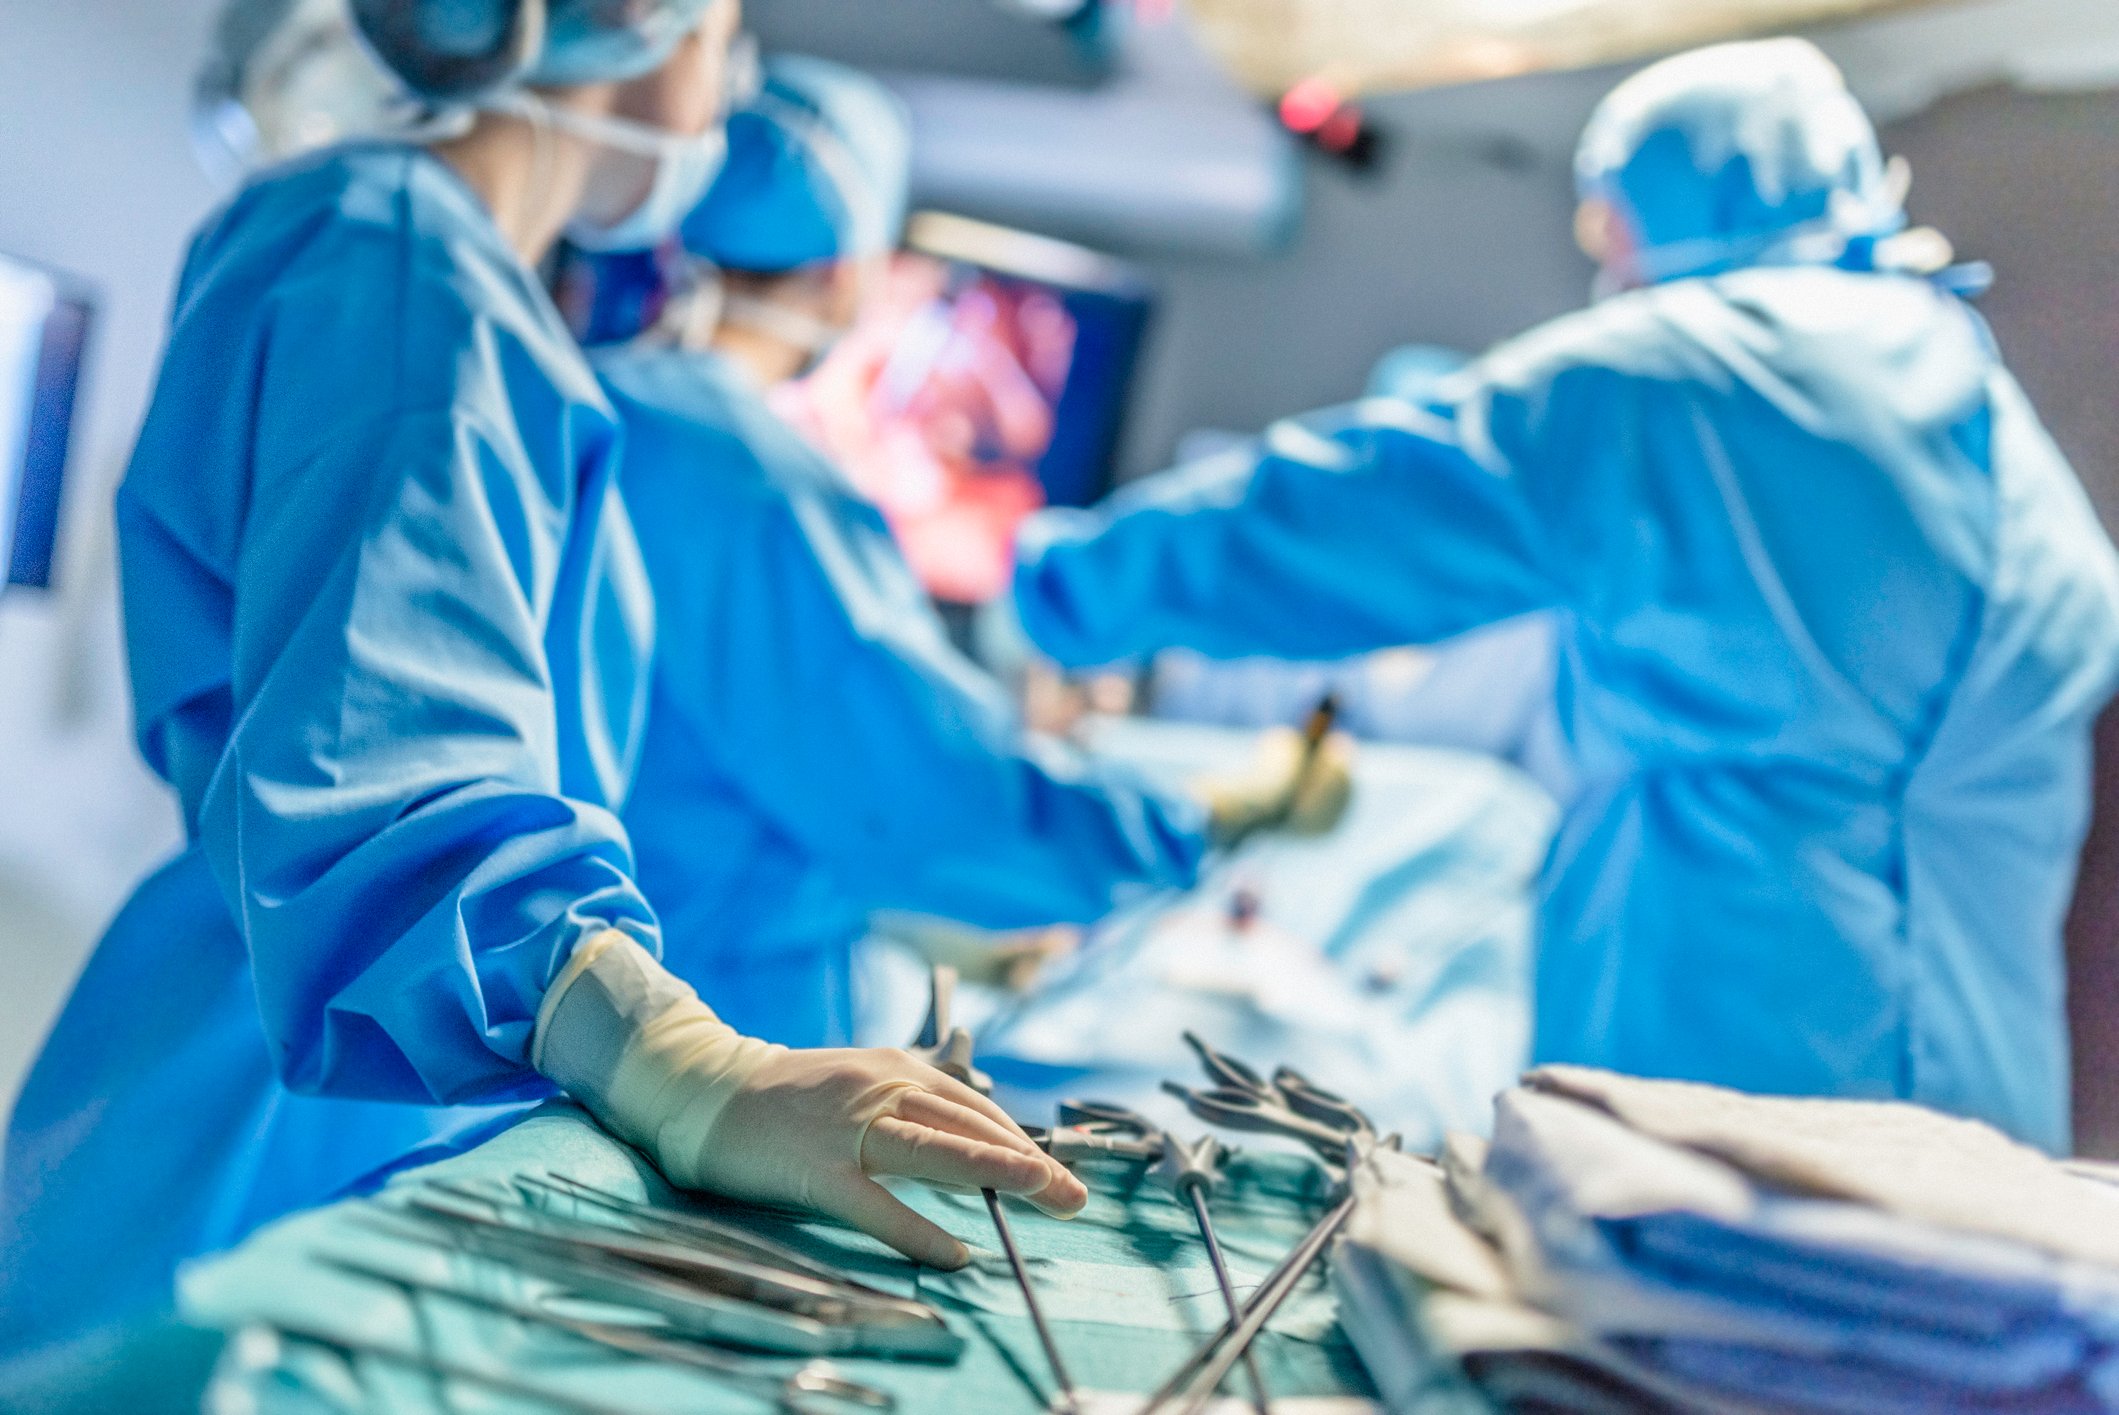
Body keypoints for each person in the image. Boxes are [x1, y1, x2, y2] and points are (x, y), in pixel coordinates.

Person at [0, 0, 1086, 1380]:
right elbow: (392, 749)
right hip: (310, 1080)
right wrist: (677, 1061)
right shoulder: (397, 262)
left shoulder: (431, 271)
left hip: (352, 1037)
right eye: (721, 27)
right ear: (633, 25)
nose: (727, 80)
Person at [1006, 37, 2119, 1151]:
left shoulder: (1689, 371)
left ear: (1676, 197)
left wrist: (1070, 589)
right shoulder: (1964, 383)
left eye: (1608, 225)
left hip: (1755, 1075)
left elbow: (1354, 508)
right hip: (1988, 1110)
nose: (1608, 265)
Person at [573, 57, 1293, 1047]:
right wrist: (1205, 812)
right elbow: (946, 807)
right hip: (699, 1041)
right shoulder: (753, 483)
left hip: (572, 1008)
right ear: (844, 275)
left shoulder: (575, 402)